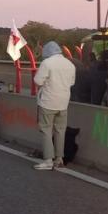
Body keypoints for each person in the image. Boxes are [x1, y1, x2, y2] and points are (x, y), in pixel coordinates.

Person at [33, 41, 76, 170]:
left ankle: (47, 160)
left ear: (47, 53)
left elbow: (37, 80)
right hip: (63, 103)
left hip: (47, 102)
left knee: (46, 130)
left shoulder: (47, 63)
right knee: (60, 131)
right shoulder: (70, 64)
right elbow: (72, 82)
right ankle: (59, 159)